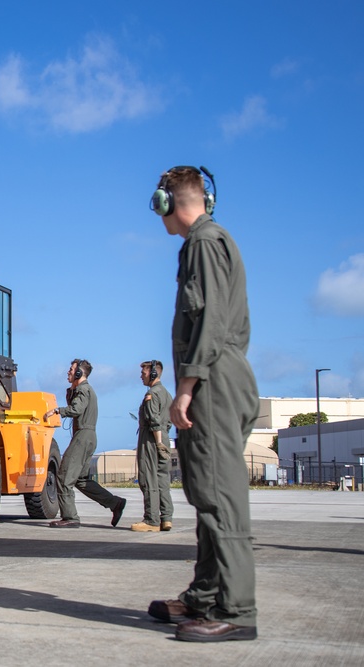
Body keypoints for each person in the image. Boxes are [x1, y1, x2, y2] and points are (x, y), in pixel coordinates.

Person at [145, 166, 259, 643]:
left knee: (219, 496)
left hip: (211, 379)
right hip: (219, 374)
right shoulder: (208, 241)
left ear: (167, 202)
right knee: (205, 493)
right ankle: (205, 596)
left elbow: (208, 321)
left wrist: (186, 387)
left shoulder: (204, 243)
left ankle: (236, 610)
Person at [42, 359, 127, 528]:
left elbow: (75, 409)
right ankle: (115, 503)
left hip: (83, 436)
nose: (68, 372)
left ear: (79, 374)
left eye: (71, 370)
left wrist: (57, 410)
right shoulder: (83, 389)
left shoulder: (83, 390)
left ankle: (70, 517)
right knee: (81, 480)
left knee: (64, 477)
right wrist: (71, 389)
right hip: (88, 436)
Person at [130, 360, 174, 533]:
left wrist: (158, 441)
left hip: (151, 438)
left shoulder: (152, 394)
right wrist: (163, 440)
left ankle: (151, 519)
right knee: (162, 479)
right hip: (165, 435)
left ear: (153, 374)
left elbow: (153, 420)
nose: (141, 376)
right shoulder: (166, 393)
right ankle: (166, 518)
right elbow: (168, 421)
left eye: (144, 372)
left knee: (148, 478)